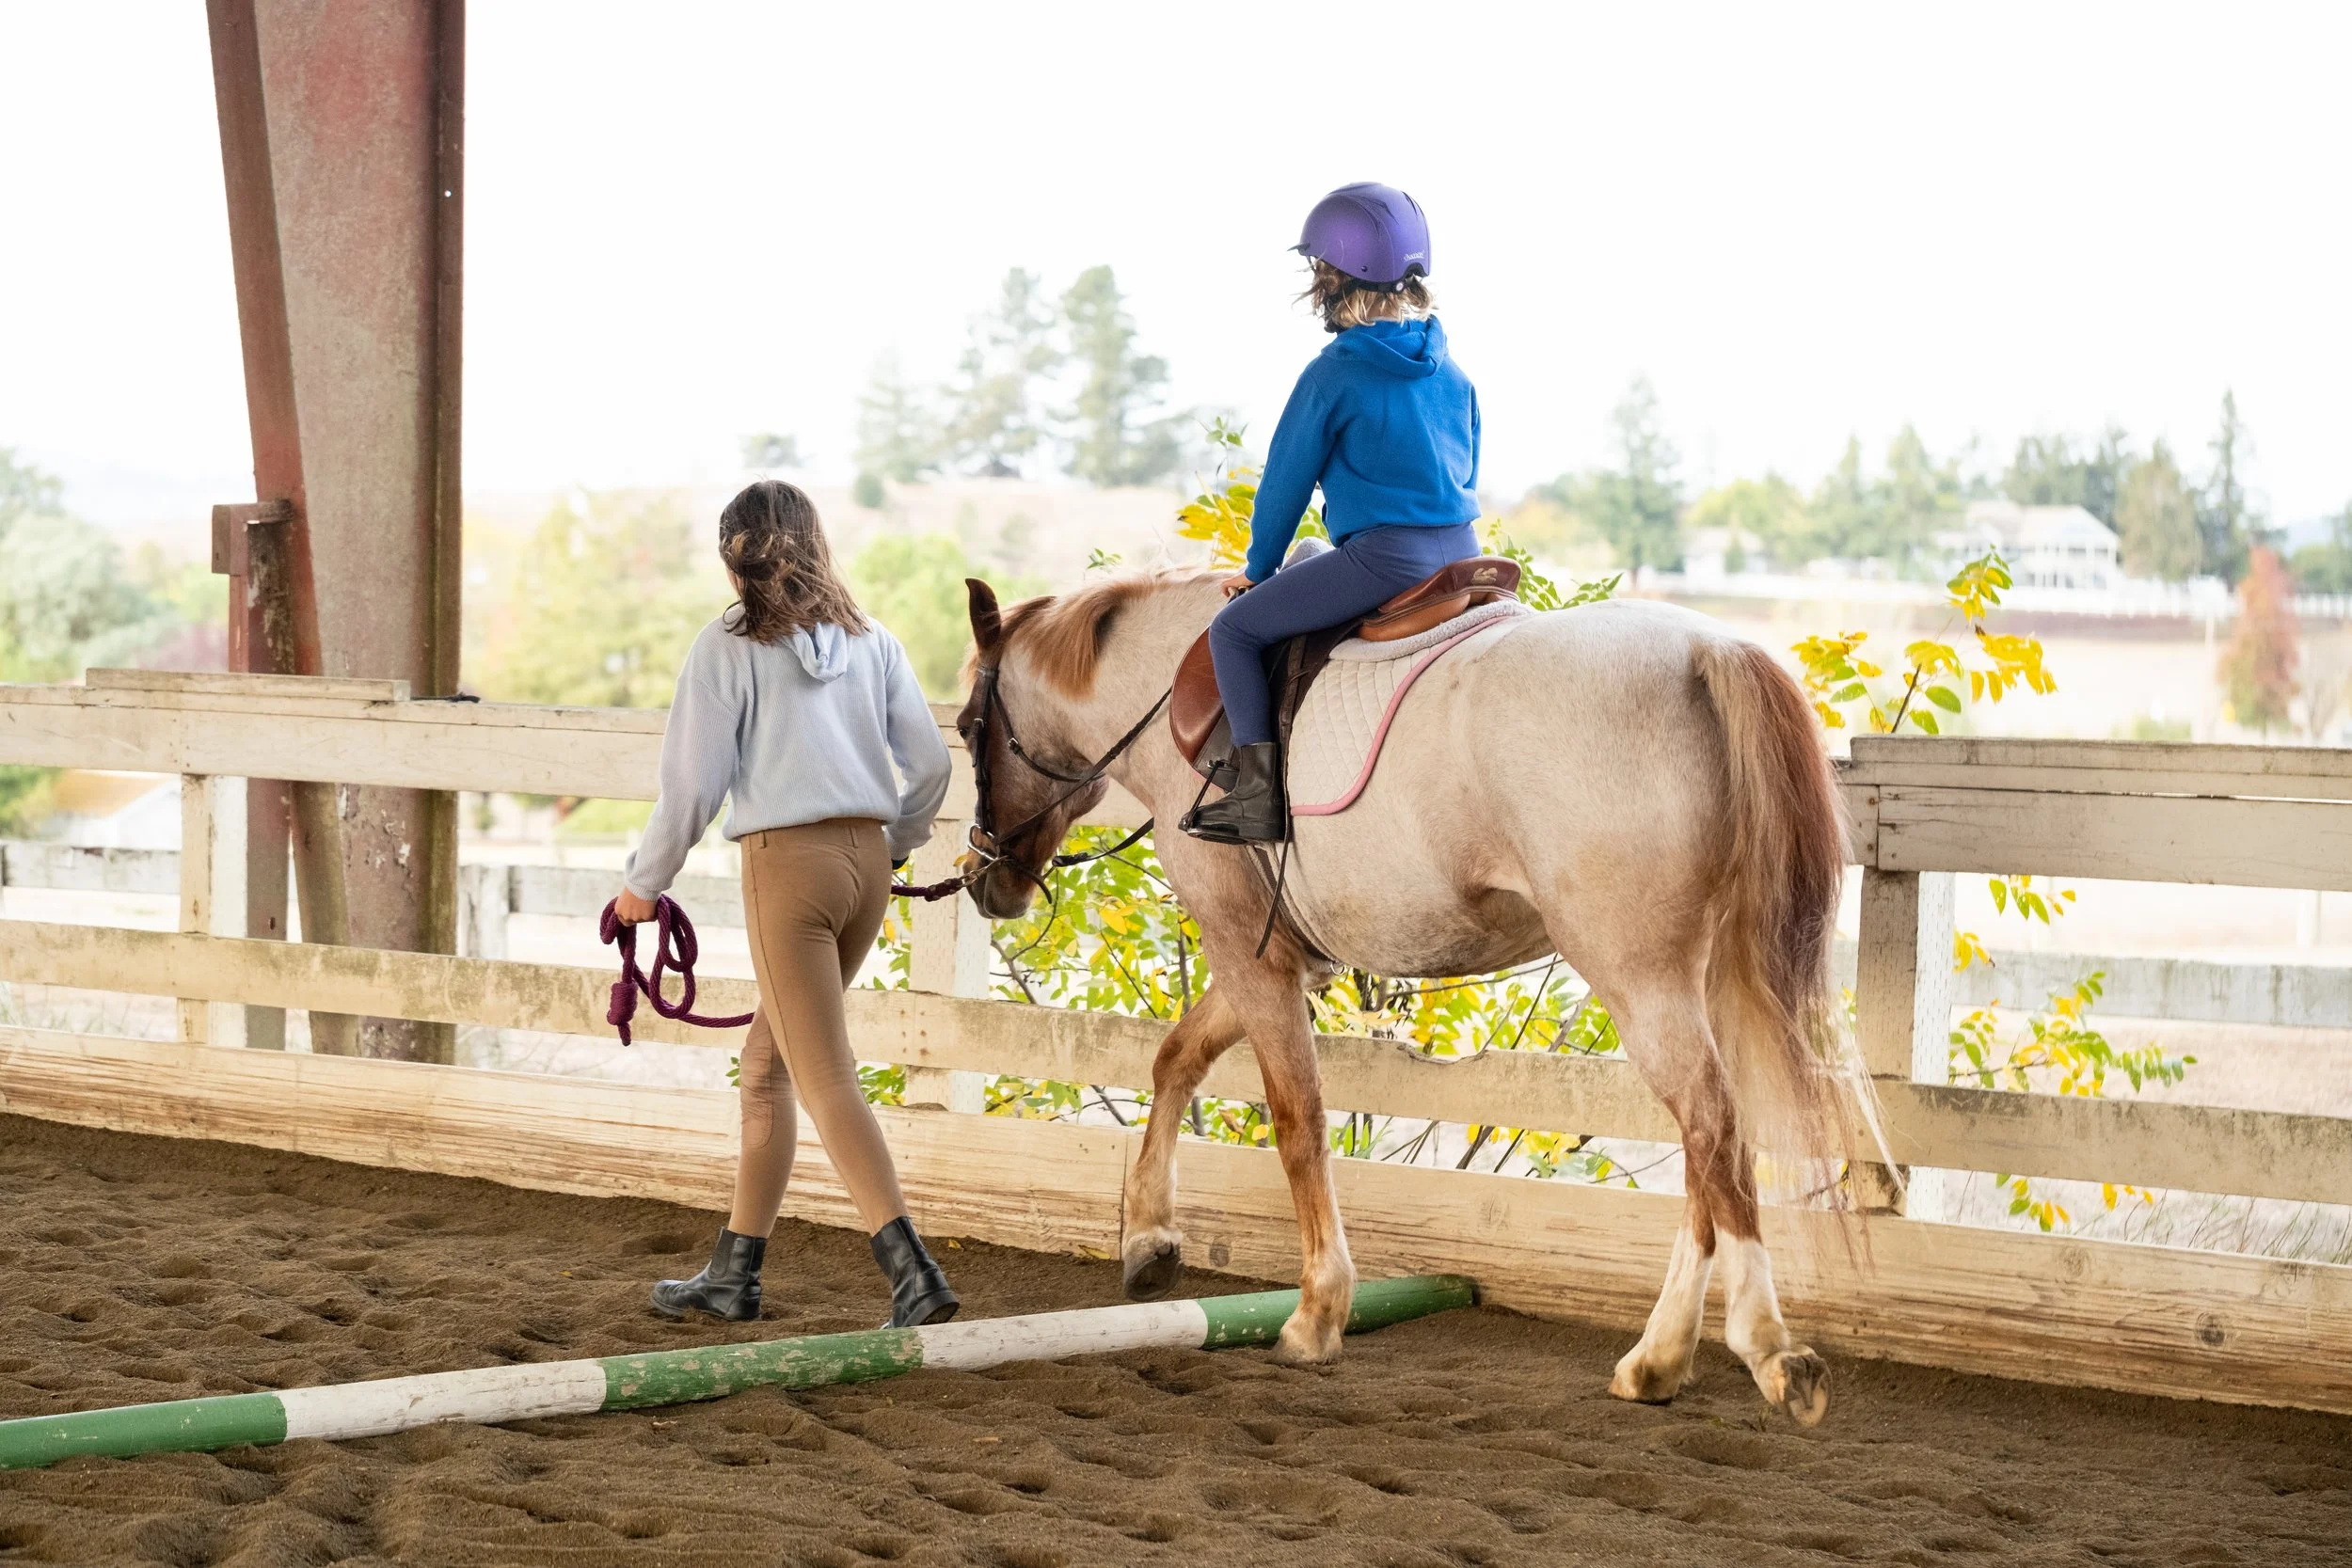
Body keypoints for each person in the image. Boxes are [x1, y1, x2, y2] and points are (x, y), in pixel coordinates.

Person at [612, 479, 960, 1327]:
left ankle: (912, 1268)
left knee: (822, 1073)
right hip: (866, 866)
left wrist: (641, 887)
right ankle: (735, 1272)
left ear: (735, 559)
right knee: (770, 1065)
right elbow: (933, 768)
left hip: (787, 870)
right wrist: (897, 845)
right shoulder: (872, 639)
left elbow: (691, 787)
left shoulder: (727, 645)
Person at [1181, 182, 1483, 846]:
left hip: (1386, 558)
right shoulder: (1453, 373)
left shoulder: (1333, 374)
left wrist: (1258, 570)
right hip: (1463, 553)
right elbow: (1467, 469)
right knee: (1316, 561)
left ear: (1337, 279)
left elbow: (1285, 488)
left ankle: (1257, 794)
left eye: (1322, 271)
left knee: (1234, 631)